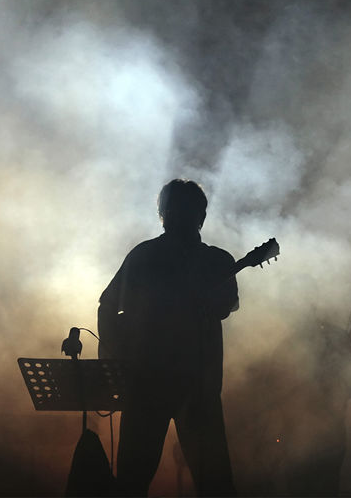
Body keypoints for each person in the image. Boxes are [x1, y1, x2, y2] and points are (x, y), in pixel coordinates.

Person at [98, 179, 239, 496]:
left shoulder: (157, 256)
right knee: (209, 482)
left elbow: (108, 306)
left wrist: (115, 360)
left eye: (184, 210)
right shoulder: (205, 259)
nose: (180, 216)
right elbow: (108, 305)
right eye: (177, 209)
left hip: (172, 386)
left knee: (139, 481)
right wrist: (114, 361)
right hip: (173, 384)